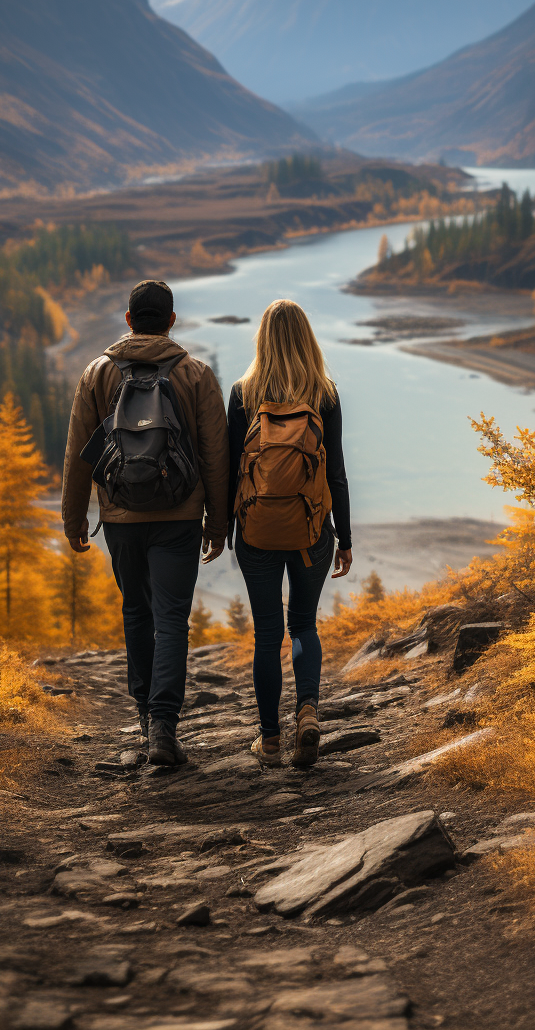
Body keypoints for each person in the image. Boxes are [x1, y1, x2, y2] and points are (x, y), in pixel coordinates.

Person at [62, 279, 229, 766]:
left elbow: (78, 455)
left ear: (130, 319)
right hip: (179, 516)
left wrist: (75, 518)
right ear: (171, 321)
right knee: (173, 619)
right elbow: (216, 456)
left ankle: (143, 716)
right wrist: (217, 524)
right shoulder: (195, 373)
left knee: (136, 611)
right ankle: (163, 728)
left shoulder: (97, 373)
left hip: (121, 515)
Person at [228, 299, 352, 768]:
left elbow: (228, 472)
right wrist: (345, 537)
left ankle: (270, 738)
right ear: (307, 338)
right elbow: (336, 474)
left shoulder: (244, 393)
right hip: (311, 532)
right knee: (302, 624)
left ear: (262, 338)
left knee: (266, 633)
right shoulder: (325, 393)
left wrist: (219, 530)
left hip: (256, 532)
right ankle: (307, 712)